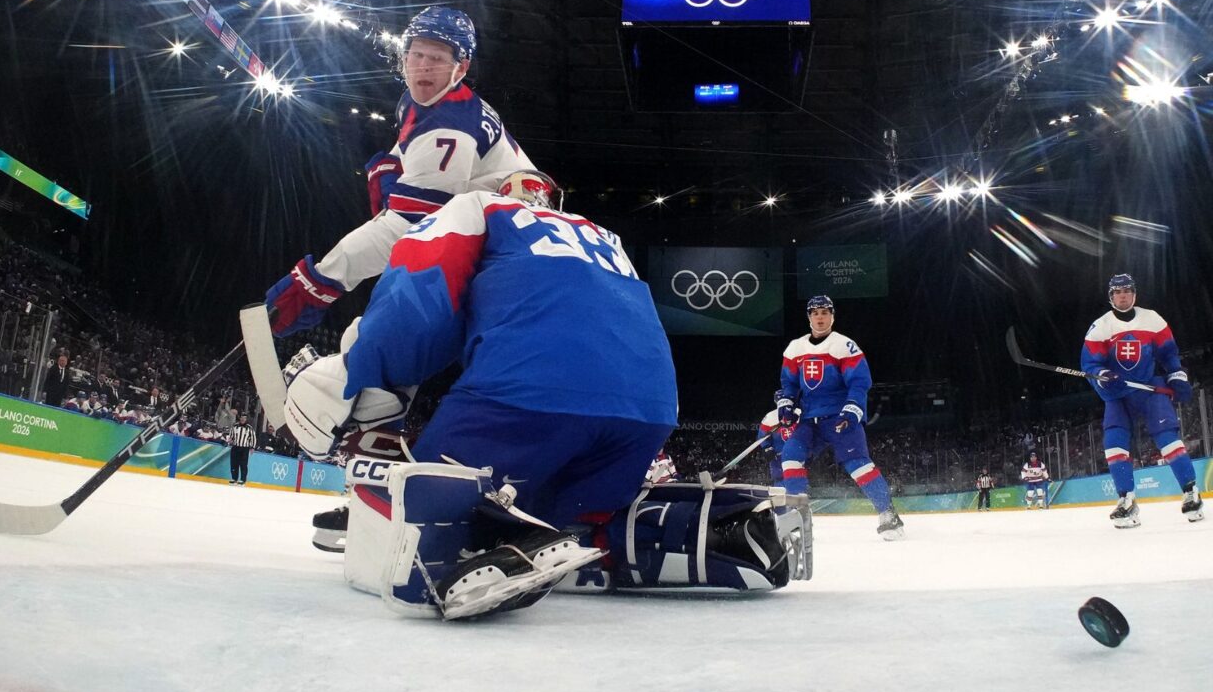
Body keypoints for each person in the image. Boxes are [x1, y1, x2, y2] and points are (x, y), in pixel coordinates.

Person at [283, 173, 801, 619]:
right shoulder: (606, 237)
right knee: (573, 514)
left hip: (528, 397)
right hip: (647, 413)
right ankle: (687, 532)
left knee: (429, 492)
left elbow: (419, 297)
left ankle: (451, 541)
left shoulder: (479, 207)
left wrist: (360, 379)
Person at [264, 6, 535, 338]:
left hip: (510, 251)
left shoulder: (450, 129)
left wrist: (322, 279)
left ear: (460, 68)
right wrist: (391, 165)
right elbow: (410, 148)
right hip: (503, 221)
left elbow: (410, 226)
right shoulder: (424, 99)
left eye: (436, 59)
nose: (422, 65)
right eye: (416, 54)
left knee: (398, 322)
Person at [777, 296, 904, 539]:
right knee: (790, 456)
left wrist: (852, 409)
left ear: (832, 316)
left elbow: (859, 382)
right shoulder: (795, 348)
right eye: (815, 313)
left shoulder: (844, 345)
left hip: (838, 417)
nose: (820, 317)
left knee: (858, 464)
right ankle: (798, 518)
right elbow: (789, 383)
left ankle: (888, 513)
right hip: (808, 419)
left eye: (825, 312)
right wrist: (786, 404)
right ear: (809, 317)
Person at [1081, 274, 1203, 528]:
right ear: (1111, 296)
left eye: (1127, 290)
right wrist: (1104, 377)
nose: (1123, 295)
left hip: (1149, 388)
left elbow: (1169, 353)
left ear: (1134, 294)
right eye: (1117, 292)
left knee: (1167, 437)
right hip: (1117, 393)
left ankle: (1191, 492)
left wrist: (1177, 377)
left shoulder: (1152, 319)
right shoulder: (1100, 326)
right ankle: (1127, 500)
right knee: (1114, 444)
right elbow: (1091, 364)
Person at [227, 412, 256, 486]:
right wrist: (230, 440)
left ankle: (243, 480)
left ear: (246, 419)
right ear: (240, 418)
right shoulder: (235, 426)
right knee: (234, 463)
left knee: (243, 464)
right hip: (235, 447)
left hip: (244, 448)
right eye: (242, 417)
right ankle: (234, 478)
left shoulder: (249, 428)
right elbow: (231, 435)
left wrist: (252, 447)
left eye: (244, 418)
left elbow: (253, 438)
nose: (243, 419)